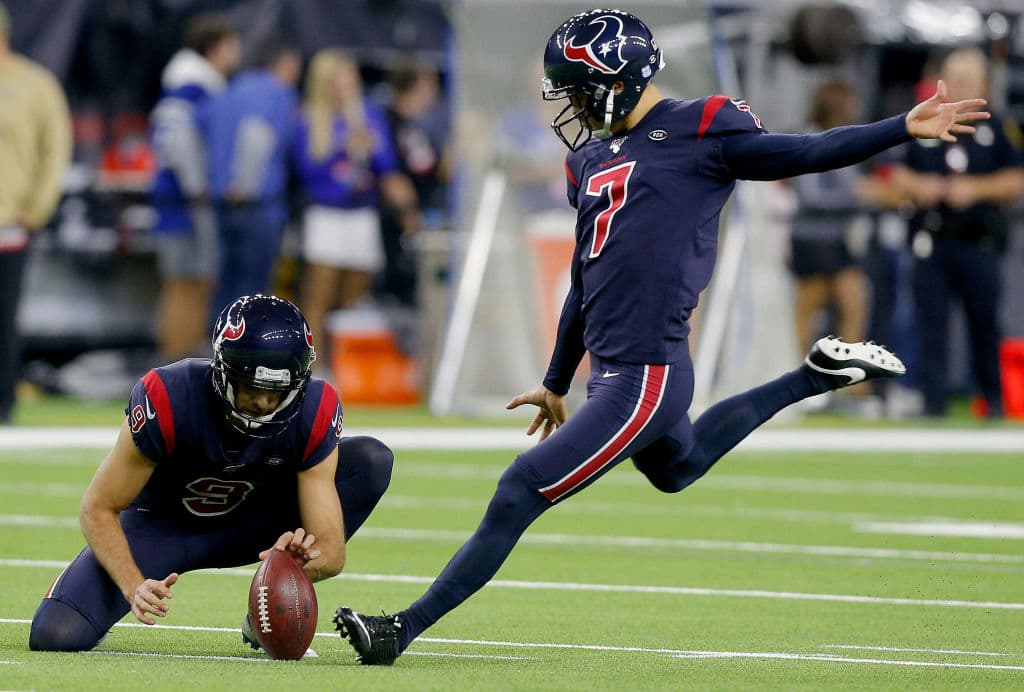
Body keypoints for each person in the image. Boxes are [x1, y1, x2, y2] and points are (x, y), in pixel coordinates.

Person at [331, 9, 985, 665]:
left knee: (518, 490)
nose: (574, 108)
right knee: (680, 466)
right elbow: (587, 281)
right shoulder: (587, 159)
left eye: (580, 90)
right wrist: (558, 379)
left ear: (616, 80)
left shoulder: (702, 126)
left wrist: (899, 127)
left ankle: (400, 629)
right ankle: (814, 375)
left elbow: (801, 152)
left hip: (648, 374)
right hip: (618, 369)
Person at [28, 294, 394, 652]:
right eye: (254, 388)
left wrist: (294, 568)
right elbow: (98, 507)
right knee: (55, 634)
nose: (266, 403)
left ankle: (261, 617)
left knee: (370, 461)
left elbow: (331, 549)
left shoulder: (314, 408)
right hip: (161, 527)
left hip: (256, 526)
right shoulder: (169, 395)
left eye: (278, 391)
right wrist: (132, 584)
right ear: (223, 372)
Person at [890, 47, 1024, 418]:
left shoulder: (998, 127)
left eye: (969, 79)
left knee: (984, 322)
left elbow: (1015, 178)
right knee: (930, 323)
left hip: (978, 239)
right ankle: (932, 401)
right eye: (955, 78)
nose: (961, 86)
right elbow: (896, 172)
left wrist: (975, 190)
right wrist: (922, 186)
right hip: (932, 237)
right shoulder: (925, 121)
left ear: (983, 84)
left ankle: (992, 400)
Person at [293, 49, 418, 372]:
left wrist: (403, 200)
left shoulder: (368, 116)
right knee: (319, 292)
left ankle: (345, 364)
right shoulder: (311, 118)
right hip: (326, 212)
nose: (347, 88)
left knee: (354, 293)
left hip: (361, 212)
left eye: (351, 81)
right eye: (340, 82)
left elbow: (386, 165)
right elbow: (307, 170)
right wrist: (342, 149)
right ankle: (314, 366)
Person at [149, 13, 241, 361]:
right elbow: (177, 140)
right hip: (185, 202)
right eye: (232, 46)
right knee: (187, 284)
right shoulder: (193, 87)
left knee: (192, 284)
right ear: (215, 47)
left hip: (180, 198)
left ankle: (180, 361)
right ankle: (175, 365)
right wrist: (197, 186)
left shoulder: (189, 84)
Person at [0, 1, 72, 424]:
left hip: (11, 221)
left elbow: (54, 151)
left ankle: (3, 401)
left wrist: (36, 209)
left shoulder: (34, 84)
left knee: (4, 317)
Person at [204, 38, 302, 318]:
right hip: (256, 203)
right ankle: (243, 357)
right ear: (285, 63)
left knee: (225, 285)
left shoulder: (228, 90)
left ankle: (217, 351)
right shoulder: (277, 93)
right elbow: (256, 137)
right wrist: (243, 186)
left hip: (221, 203)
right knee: (253, 291)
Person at [379, 63, 449, 306]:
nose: (435, 91)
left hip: (424, 216)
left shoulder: (419, 126)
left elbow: (433, 171)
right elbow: (390, 175)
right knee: (398, 292)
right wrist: (408, 212)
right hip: (398, 222)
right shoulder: (389, 121)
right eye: (430, 84)